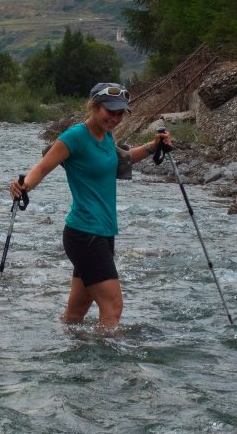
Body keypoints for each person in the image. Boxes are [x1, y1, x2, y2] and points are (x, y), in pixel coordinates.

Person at [9, 81, 171, 332]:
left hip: (104, 232)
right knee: (113, 307)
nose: (115, 118)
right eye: (110, 112)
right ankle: (105, 367)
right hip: (85, 233)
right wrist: (23, 186)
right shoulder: (74, 137)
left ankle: (67, 354)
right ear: (94, 107)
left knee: (76, 313)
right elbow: (42, 167)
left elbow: (125, 159)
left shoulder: (106, 137)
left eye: (120, 113)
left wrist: (154, 146)